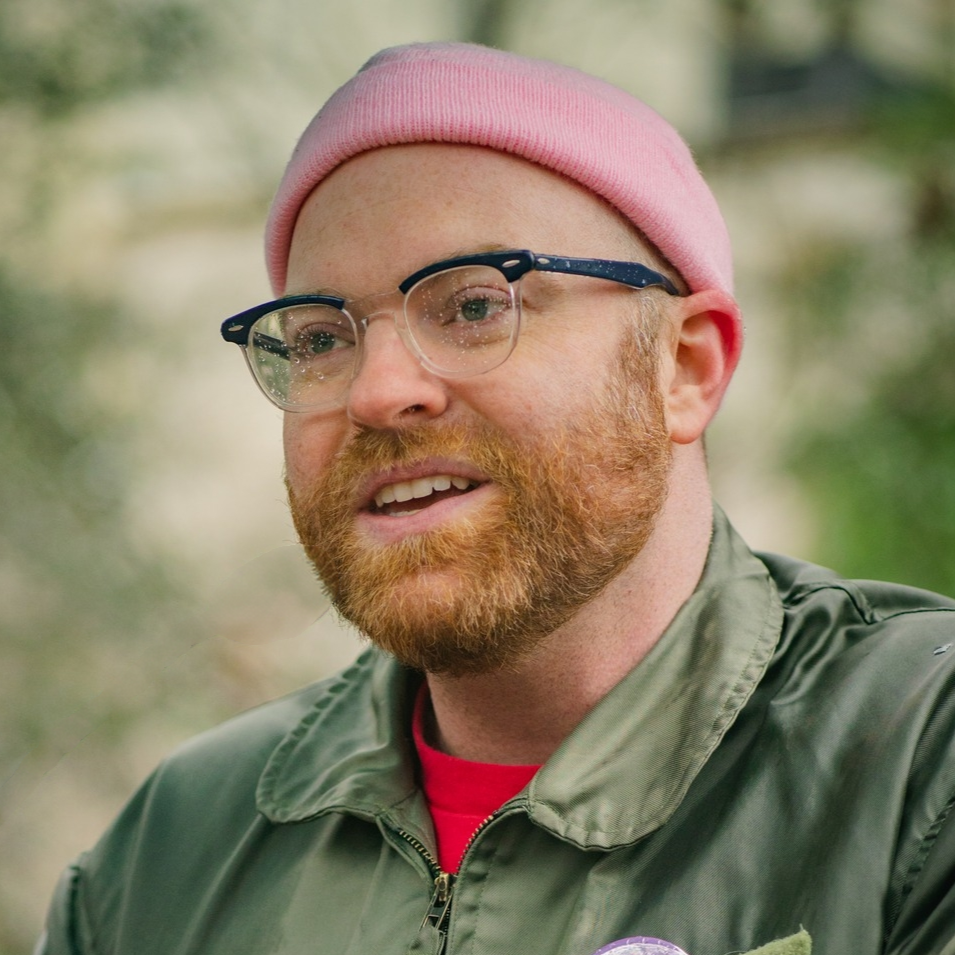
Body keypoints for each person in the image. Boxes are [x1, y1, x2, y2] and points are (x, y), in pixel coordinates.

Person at [38, 42, 955, 955]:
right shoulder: (166, 853)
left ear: (683, 367)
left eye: (474, 306)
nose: (376, 391)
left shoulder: (918, 759)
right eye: (319, 338)